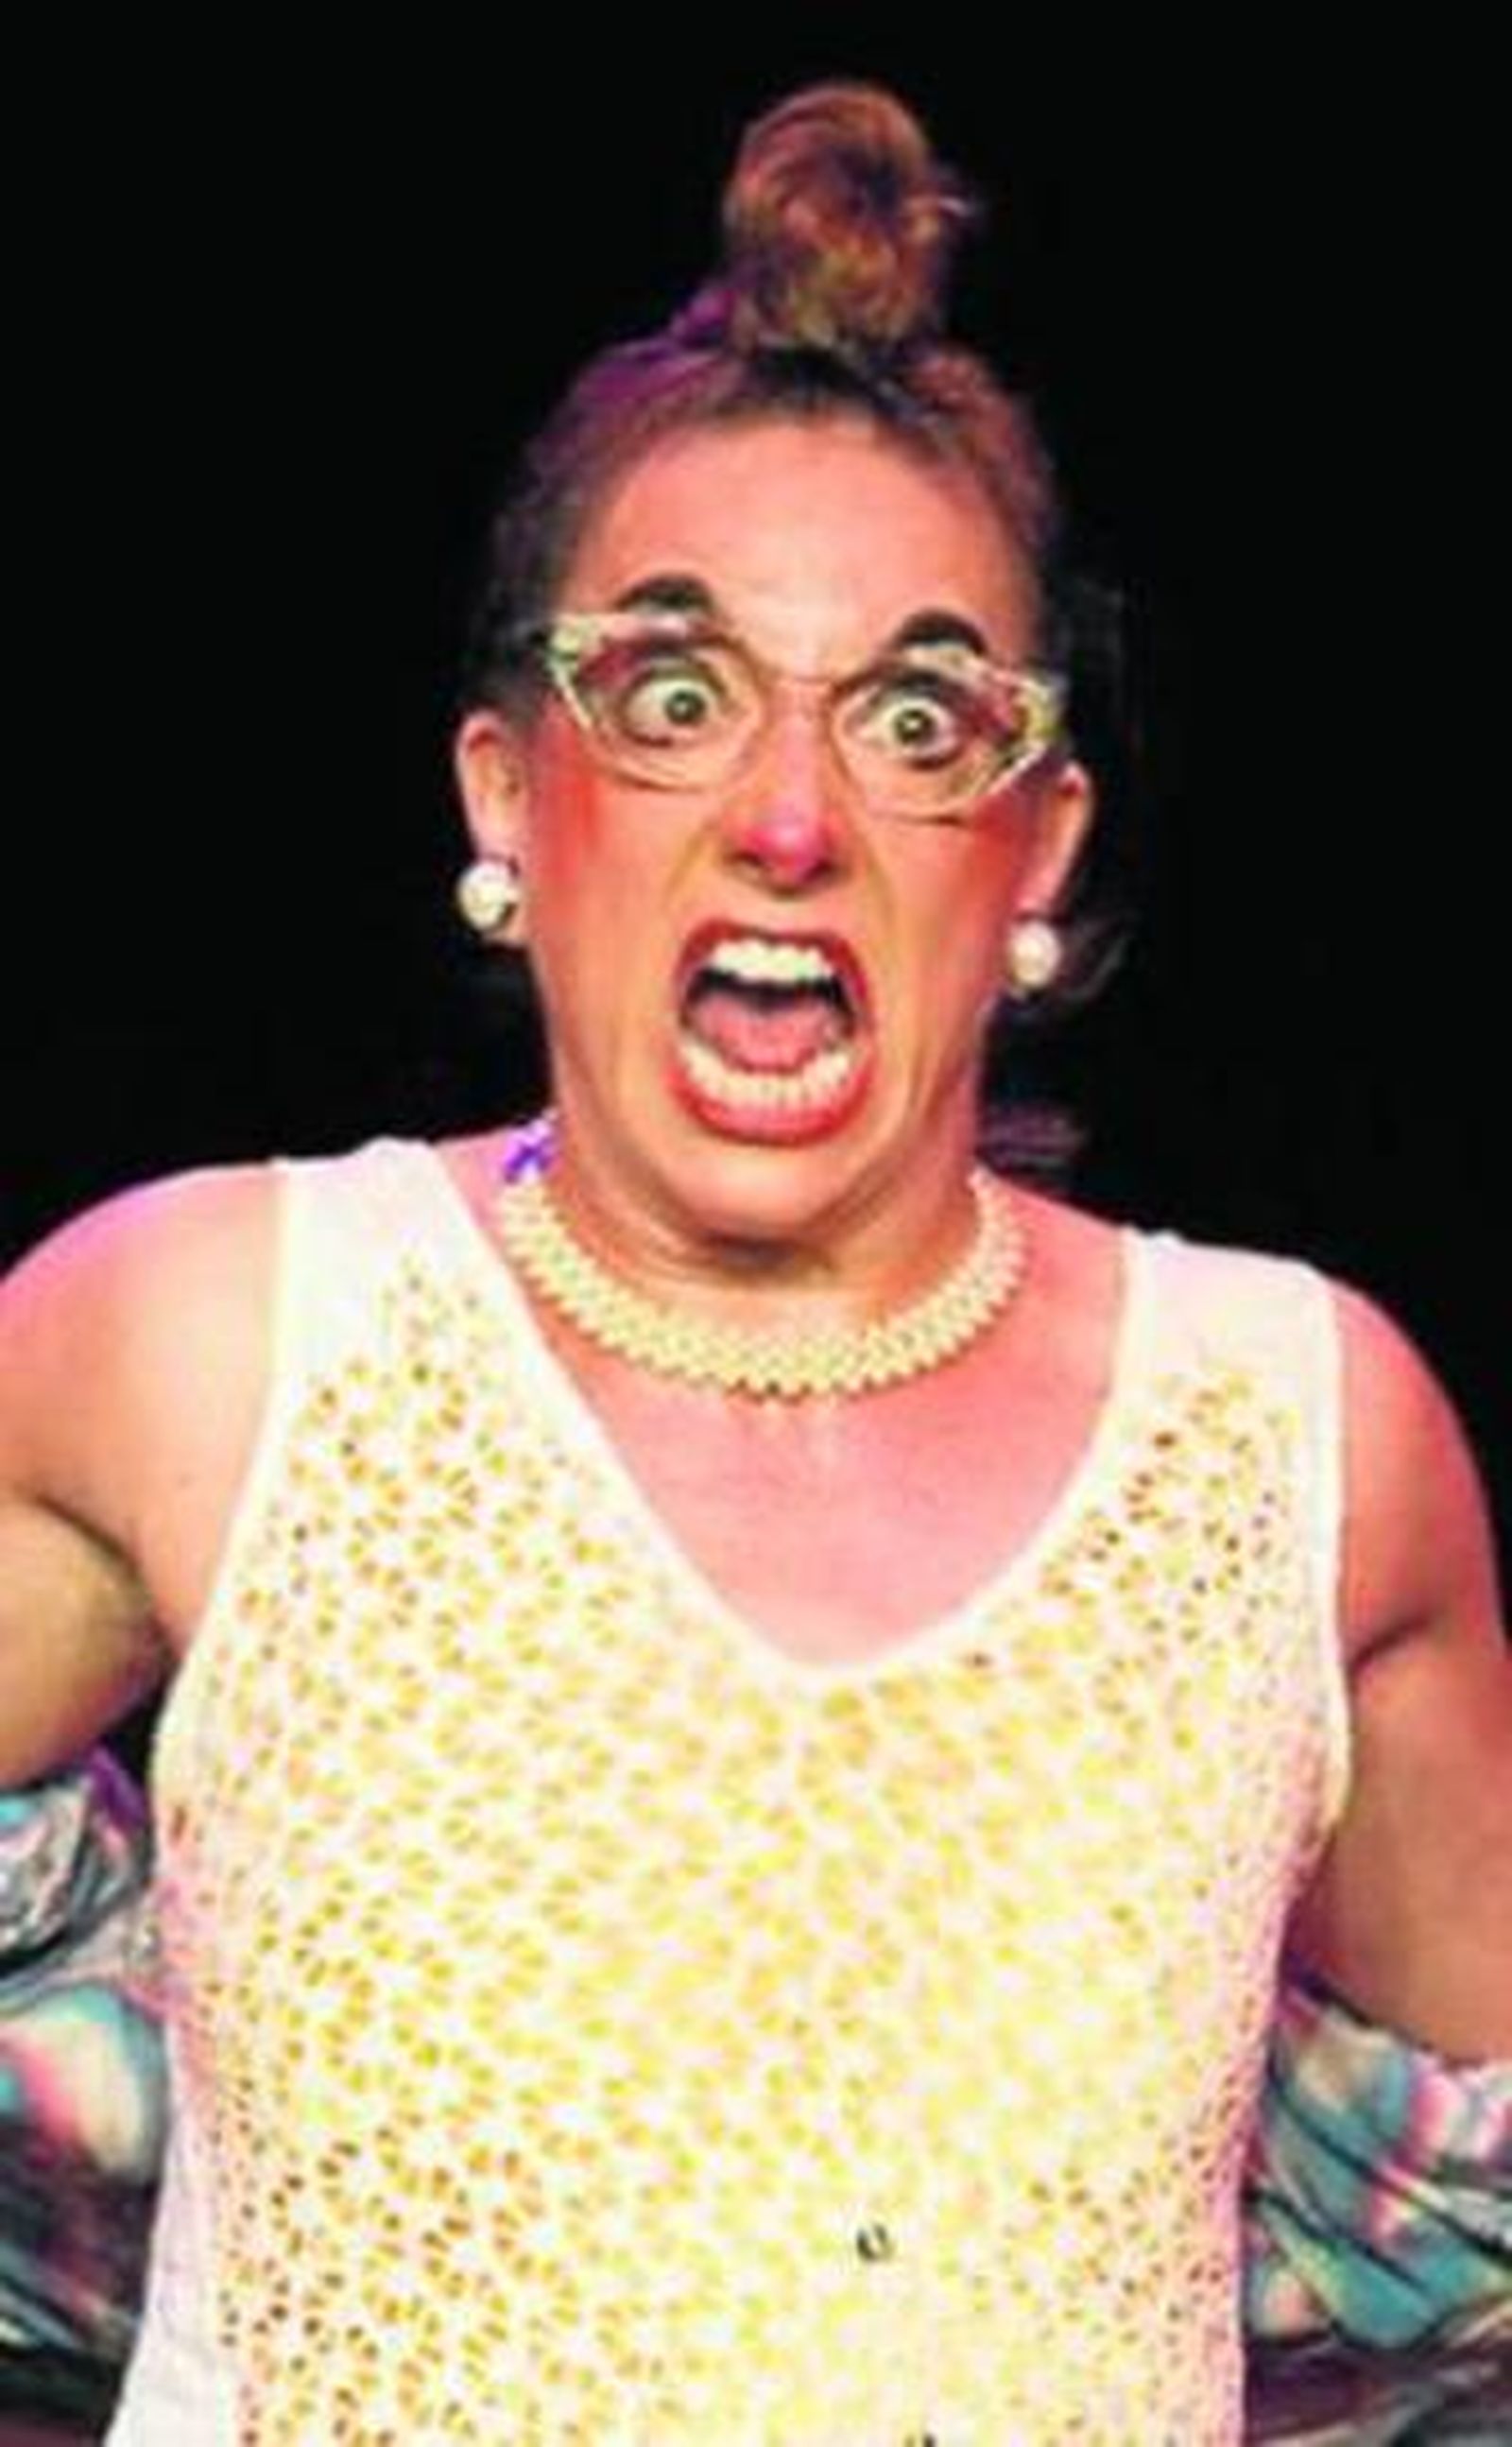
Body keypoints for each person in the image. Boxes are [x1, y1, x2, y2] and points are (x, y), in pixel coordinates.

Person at [0, 79, 1507, 2444]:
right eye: (673, 696)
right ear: (508, 795)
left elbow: (1459, 2242)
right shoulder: (199, 1341)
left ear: (1033, 847)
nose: (788, 818)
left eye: (915, 717)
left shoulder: (1300, 1441)